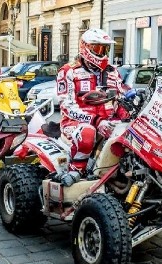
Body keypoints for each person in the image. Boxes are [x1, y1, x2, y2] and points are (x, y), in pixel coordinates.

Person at [55, 28, 131, 186]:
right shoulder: (69, 71)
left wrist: (128, 113)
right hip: (75, 124)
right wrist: (96, 121)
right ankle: (77, 170)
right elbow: (66, 107)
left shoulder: (112, 72)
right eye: (97, 48)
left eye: (105, 48)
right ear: (86, 47)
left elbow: (120, 97)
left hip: (108, 122)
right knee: (88, 132)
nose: (102, 52)